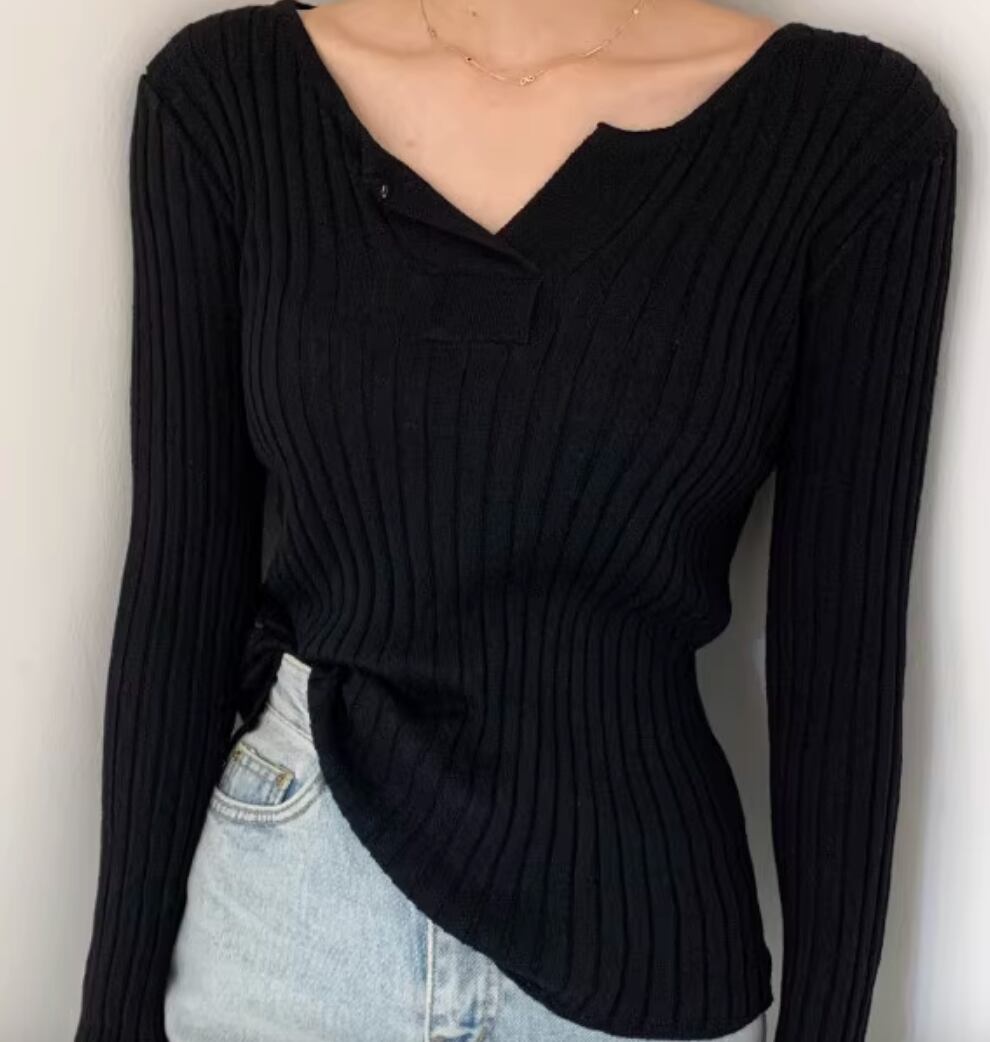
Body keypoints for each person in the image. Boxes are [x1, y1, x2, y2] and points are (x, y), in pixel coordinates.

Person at [74, 0, 958, 1040]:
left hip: (641, 943)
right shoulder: (230, 100)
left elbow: (842, 652)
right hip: (289, 926)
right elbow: (182, 591)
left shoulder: (848, 136)